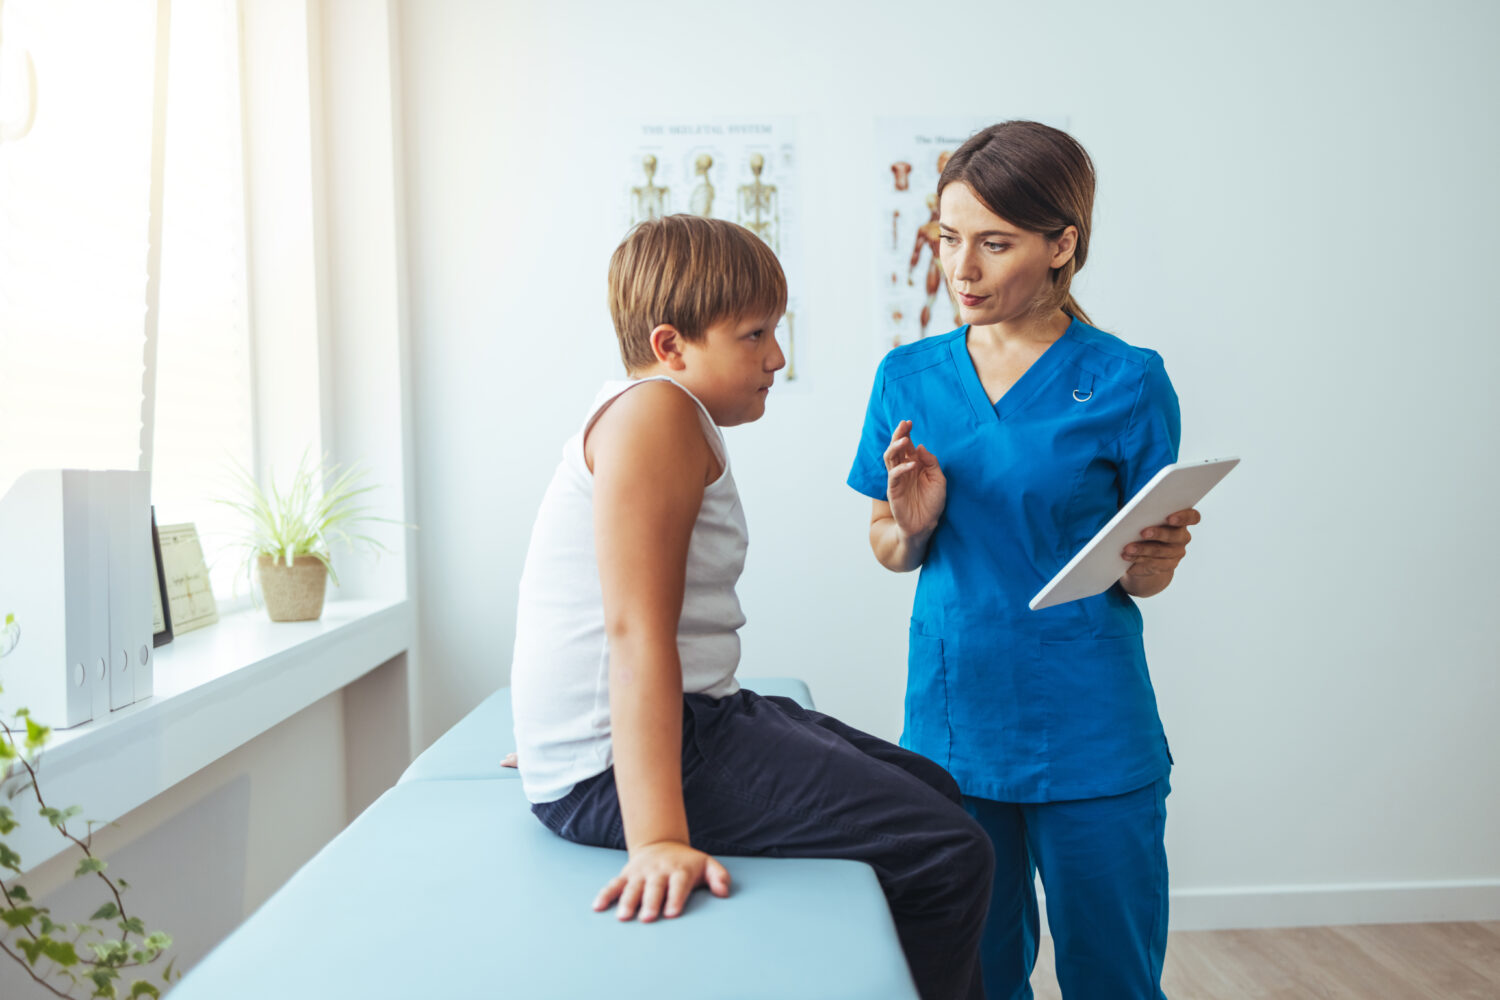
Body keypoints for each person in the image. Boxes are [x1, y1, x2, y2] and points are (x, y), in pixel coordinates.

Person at [509, 214, 994, 1000]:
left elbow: (576, 606)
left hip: (690, 716)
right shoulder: (654, 416)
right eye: (754, 335)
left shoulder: (655, 411)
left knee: (937, 793)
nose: (776, 357)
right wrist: (657, 836)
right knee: (952, 853)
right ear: (673, 346)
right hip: (628, 760)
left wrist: (555, 725)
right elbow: (633, 633)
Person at [847, 121, 1204, 1000]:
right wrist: (914, 520)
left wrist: (1158, 555)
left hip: (1091, 727)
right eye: (948, 238)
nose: (959, 269)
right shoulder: (908, 377)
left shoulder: (1127, 380)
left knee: (1112, 976)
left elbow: (1140, 575)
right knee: (974, 975)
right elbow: (889, 547)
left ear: (1061, 245)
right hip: (955, 723)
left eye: (993, 243)